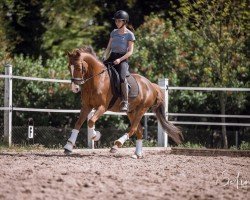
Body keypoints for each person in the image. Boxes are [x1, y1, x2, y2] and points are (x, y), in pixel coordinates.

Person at [103, 10, 135, 112]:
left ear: (124, 22)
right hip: (112, 57)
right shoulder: (113, 32)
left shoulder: (130, 35)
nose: (116, 23)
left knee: (122, 78)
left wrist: (120, 60)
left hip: (123, 59)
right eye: (115, 21)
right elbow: (108, 47)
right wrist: (104, 56)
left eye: (119, 21)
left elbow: (130, 52)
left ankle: (125, 101)